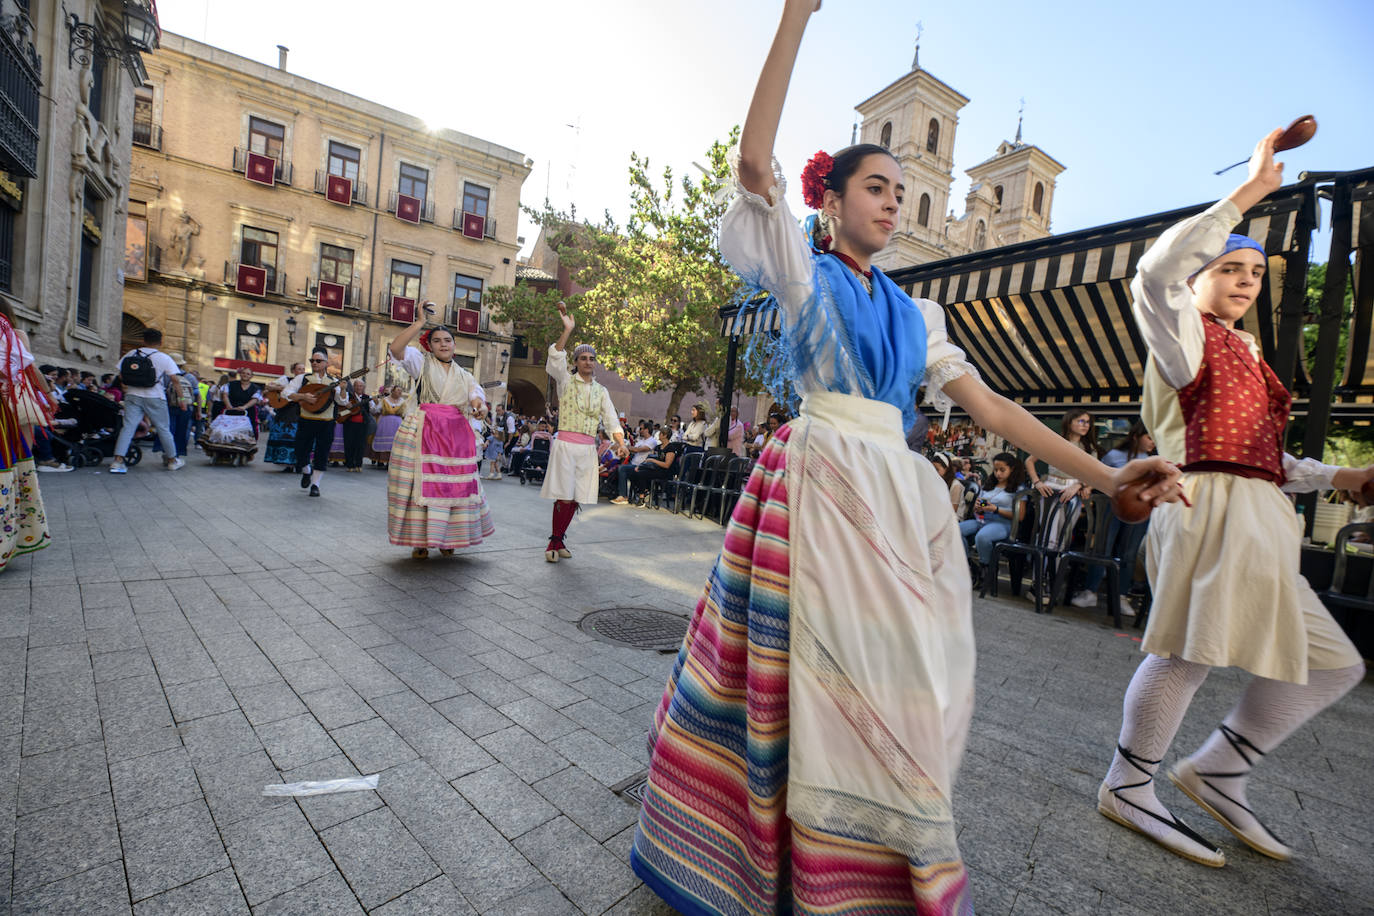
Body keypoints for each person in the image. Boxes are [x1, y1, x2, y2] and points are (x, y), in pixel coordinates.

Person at [630, 5, 1183, 912]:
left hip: (893, 496)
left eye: (898, 188)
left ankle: (865, 860)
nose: (891, 199)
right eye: (874, 185)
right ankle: (792, 861)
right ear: (832, 200)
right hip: (815, 482)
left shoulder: (915, 315)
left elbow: (997, 408)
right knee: (798, 675)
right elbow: (752, 163)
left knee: (893, 683)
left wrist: (1110, 475)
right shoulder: (801, 267)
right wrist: (793, 17)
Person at [1097, 130, 1368, 869]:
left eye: (1255, 271)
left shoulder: (1246, 351)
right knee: (1189, 652)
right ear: (1199, 280)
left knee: (1332, 663)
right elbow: (1154, 274)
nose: (1247, 279)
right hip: (1205, 502)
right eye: (1230, 267)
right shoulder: (1182, 335)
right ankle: (1127, 782)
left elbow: (1264, 455)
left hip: (1259, 510)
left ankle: (1218, 769)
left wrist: (1342, 479)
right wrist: (1249, 193)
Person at [385, 303, 493, 558]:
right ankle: (420, 541)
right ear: (429, 346)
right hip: (423, 429)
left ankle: (449, 539)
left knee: (455, 487)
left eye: (448, 340)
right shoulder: (420, 364)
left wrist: (480, 408)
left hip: (455, 435)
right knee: (417, 485)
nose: (443, 344)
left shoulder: (465, 375)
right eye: (437, 341)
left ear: (454, 345)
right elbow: (396, 348)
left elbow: (476, 396)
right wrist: (420, 322)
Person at [540, 301, 628, 562]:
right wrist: (567, 330)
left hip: (587, 448)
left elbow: (611, 419)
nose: (588, 361)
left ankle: (559, 540)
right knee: (564, 496)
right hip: (566, 445)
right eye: (583, 358)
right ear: (576, 362)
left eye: (592, 358)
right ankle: (553, 543)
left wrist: (620, 442)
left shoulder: (602, 391)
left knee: (576, 498)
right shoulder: (566, 381)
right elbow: (556, 357)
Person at [1070, 420, 1156, 616]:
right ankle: (1090, 591)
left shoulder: (1153, 460)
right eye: (1149, 437)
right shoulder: (1113, 456)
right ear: (1136, 437)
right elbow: (1096, 477)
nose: (1153, 442)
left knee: (1129, 554)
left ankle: (1121, 596)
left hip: (1140, 512)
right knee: (1102, 548)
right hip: (1110, 507)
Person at [0, 302, 52, 571]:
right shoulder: (13, 332)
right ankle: (15, 533)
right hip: (12, 403)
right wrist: (49, 396)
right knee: (19, 463)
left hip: (8, 403)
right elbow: (30, 370)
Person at [109, 328, 184, 474]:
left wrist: (128, 388)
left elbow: (121, 375)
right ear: (160, 342)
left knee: (128, 427)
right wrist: (181, 399)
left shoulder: (130, 354)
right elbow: (175, 380)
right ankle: (172, 460)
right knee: (163, 429)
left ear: (143, 340)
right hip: (155, 396)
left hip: (132, 395)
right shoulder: (164, 358)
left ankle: (117, 461)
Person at [282, 350, 349, 497]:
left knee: (322, 452)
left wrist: (343, 389)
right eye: (312, 360)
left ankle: (315, 484)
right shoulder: (303, 378)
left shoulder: (334, 381)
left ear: (326, 363)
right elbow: (285, 393)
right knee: (300, 450)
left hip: (326, 422)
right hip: (306, 420)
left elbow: (342, 401)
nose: (314, 363)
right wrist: (302, 396)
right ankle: (307, 471)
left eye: (318, 361)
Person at [958, 452, 1026, 569]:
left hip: (1002, 523)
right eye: (995, 470)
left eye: (1002, 470)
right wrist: (978, 508)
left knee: (982, 537)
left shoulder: (1018, 489)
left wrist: (996, 509)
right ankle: (968, 565)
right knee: (955, 531)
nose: (998, 473)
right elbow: (983, 503)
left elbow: (1020, 516)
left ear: (1012, 469)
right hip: (982, 520)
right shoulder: (989, 485)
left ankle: (987, 568)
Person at [263, 362, 306, 470]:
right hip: (284, 412)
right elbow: (268, 387)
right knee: (283, 437)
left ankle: (298, 464)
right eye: (299, 369)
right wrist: (284, 388)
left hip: (298, 413)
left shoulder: (306, 382)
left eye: (303, 369)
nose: (302, 371)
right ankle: (287, 464)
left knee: (298, 439)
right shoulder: (285, 379)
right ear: (293, 371)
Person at [611, 421, 657, 504]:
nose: (639, 430)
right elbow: (632, 451)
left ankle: (623, 496)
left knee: (622, 468)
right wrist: (622, 451)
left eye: (641, 428)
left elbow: (638, 450)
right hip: (632, 464)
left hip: (641, 467)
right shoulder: (641, 440)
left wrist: (624, 446)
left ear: (647, 430)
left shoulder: (652, 441)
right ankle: (614, 493)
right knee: (617, 468)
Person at [369, 384, 407, 469]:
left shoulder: (402, 402)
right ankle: (380, 460)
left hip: (397, 424)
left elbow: (406, 413)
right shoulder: (385, 400)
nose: (399, 392)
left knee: (394, 443)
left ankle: (390, 462)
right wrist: (373, 407)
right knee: (383, 441)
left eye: (400, 391)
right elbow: (376, 409)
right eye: (398, 390)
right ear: (392, 391)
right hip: (384, 423)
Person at [340, 379, 370, 472]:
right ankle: (349, 465)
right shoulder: (348, 396)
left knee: (360, 444)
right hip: (349, 423)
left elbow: (373, 410)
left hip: (362, 425)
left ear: (363, 387)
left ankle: (358, 464)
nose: (359, 387)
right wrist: (348, 407)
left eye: (361, 386)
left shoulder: (367, 397)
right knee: (349, 444)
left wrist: (377, 402)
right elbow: (342, 412)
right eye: (357, 386)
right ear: (354, 387)